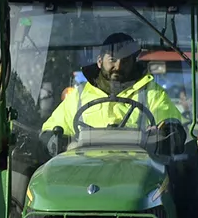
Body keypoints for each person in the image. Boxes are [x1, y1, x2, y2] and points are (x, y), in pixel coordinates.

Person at [43, 32, 183, 143]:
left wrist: (168, 133)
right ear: (99, 61)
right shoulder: (79, 95)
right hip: (86, 168)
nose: (118, 66)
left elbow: (171, 125)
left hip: (137, 169)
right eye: (112, 60)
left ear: (134, 62)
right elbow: (52, 129)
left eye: (126, 61)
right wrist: (53, 140)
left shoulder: (152, 93)